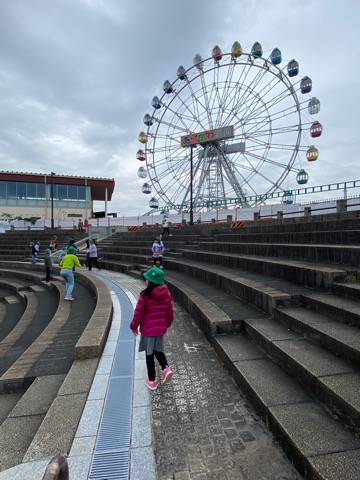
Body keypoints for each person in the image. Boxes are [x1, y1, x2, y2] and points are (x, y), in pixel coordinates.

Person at [130, 267, 174, 391]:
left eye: (147, 279)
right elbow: (170, 312)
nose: (146, 281)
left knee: (149, 354)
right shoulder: (167, 294)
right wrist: (167, 325)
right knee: (158, 350)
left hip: (148, 331)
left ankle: (152, 381)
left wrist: (133, 327)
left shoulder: (145, 295)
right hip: (160, 330)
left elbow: (138, 314)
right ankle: (166, 368)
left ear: (150, 282)